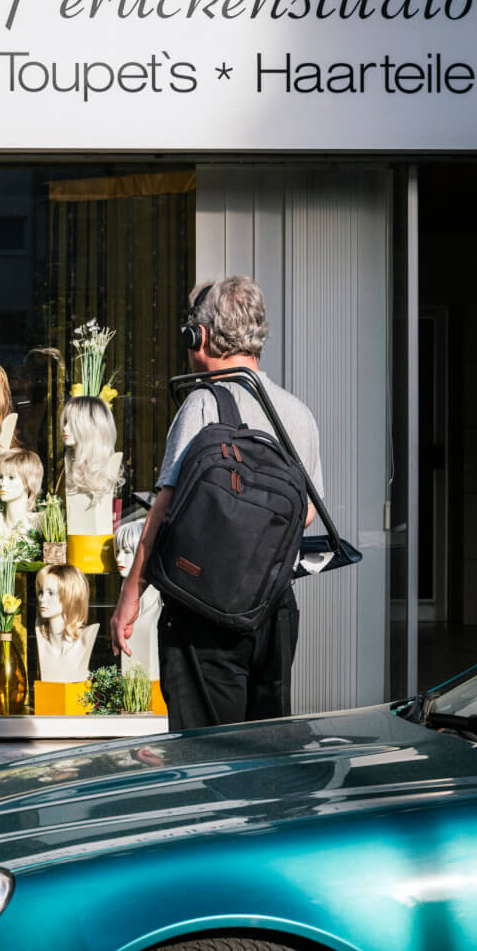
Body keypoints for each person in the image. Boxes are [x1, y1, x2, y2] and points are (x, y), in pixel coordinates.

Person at [110, 275, 323, 731]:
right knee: (266, 754)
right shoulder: (297, 413)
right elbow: (304, 514)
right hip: (275, 611)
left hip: (202, 618)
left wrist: (130, 597)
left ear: (199, 336)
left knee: (206, 757)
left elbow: (164, 513)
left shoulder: (202, 406)